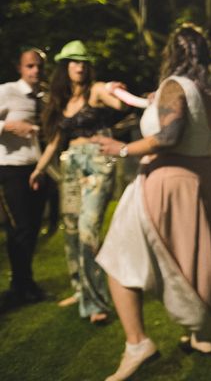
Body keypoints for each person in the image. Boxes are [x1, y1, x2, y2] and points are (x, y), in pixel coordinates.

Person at [95, 24, 211, 380]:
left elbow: (168, 136)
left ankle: (137, 343)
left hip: (165, 181)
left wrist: (120, 148)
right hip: (200, 181)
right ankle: (199, 334)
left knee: (118, 258)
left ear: (174, 52)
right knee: (193, 257)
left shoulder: (175, 87)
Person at [29, 40, 127, 323]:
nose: (80, 66)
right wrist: (38, 170)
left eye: (84, 62)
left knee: (88, 229)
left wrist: (115, 90)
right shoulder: (62, 102)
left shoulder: (96, 90)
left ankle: (96, 302)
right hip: (70, 164)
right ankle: (80, 288)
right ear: (65, 67)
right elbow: (56, 141)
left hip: (96, 163)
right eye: (74, 61)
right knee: (70, 230)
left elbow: (118, 103)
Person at [0, 48, 48, 309]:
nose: (35, 71)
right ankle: (20, 286)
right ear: (19, 68)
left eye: (39, 66)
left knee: (31, 230)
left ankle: (24, 283)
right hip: (11, 169)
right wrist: (7, 126)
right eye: (30, 66)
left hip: (36, 169)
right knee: (21, 229)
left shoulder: (43, 97)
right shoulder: (6, 91)